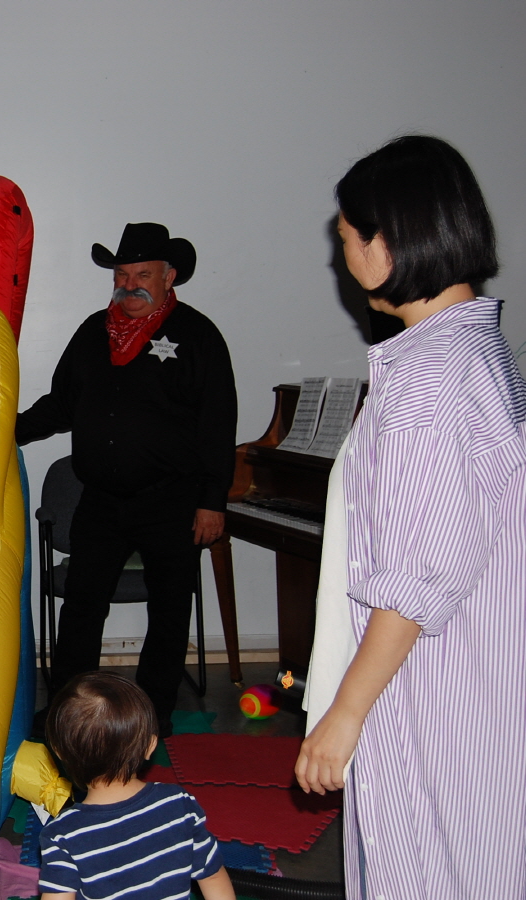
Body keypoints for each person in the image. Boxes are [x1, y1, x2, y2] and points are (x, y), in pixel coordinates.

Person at [295, 135, 526, 899]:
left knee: (431, 871)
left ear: (388, 242)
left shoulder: (431, 378)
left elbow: (418, 578)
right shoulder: (475, 350)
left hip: (430, 693)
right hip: (471, 679)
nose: (341, 258)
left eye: (346, 238)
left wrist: (344, 713)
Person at [17, 223, 236, 737]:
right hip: (102, 500)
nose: (130, 285)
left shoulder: (198, 335)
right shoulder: (92, 332)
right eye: (121, 274)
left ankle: (154, 714)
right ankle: (68, 712)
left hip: (173, 500)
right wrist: (7, 432)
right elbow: (62, 403)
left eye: (143, 274)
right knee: (81, 607)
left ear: (168, 277)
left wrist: (212, 500)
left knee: (169, 609)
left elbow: (218, 423)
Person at [39, 671, 234, 900]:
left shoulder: (63, 835)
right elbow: (213, 878)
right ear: (150, 746)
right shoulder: (180, 804)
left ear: (59, 752)